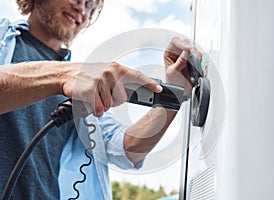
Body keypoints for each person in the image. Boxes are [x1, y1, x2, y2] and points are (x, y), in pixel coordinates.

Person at [0, 0, 201, 199]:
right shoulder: (4, 37)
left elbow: (126, 149)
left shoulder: (80, 83)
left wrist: (174, 94)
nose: (81, 9)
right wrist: (60, 76)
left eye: (89, 5)